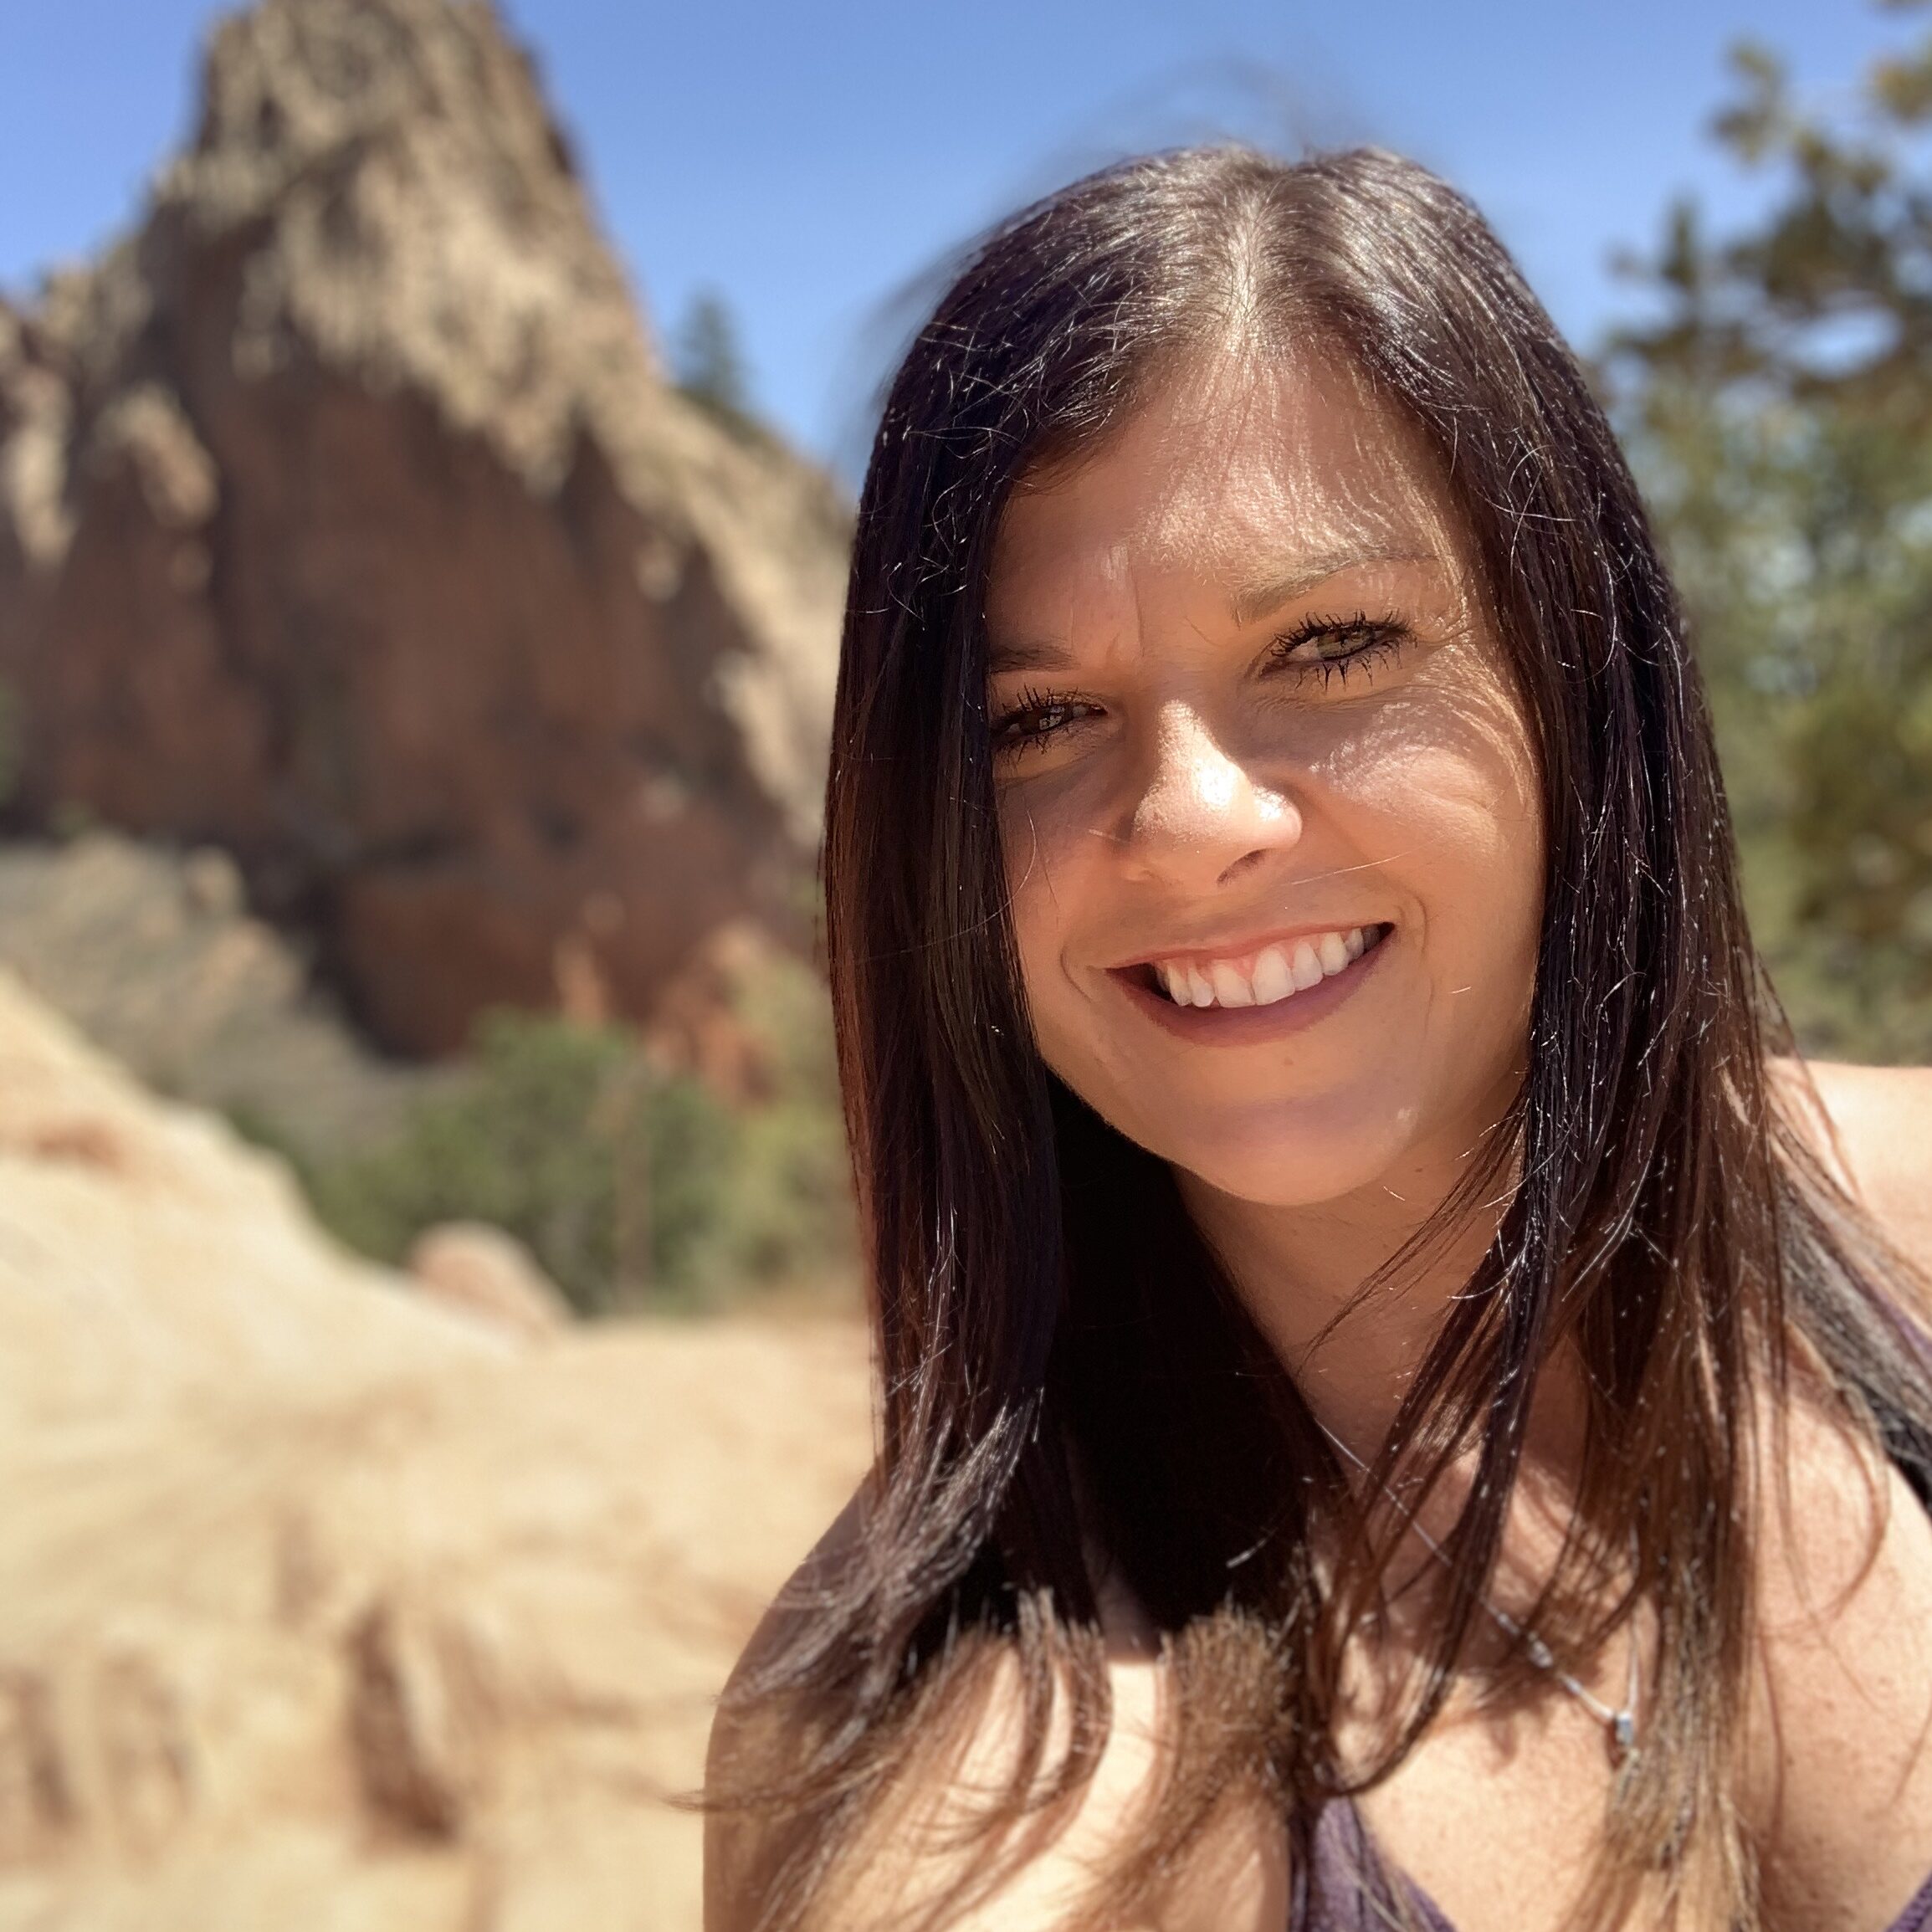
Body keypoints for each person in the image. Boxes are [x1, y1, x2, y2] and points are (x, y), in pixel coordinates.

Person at [703, 145, 1932, 1932]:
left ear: (1579, 676)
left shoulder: (1900, 1226)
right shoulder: (992, 1794)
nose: (1186, 819)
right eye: (1035, 722)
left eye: (1333, 642)